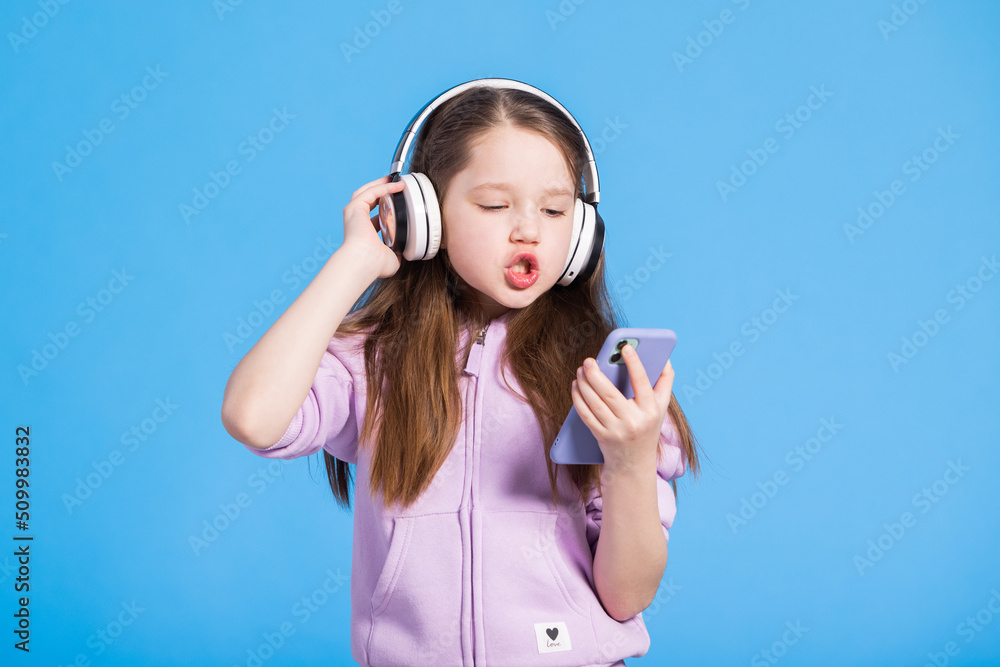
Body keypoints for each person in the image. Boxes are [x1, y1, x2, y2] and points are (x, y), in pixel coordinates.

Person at [221, 79, 701, 667]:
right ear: (424, 215)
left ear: (582, 234)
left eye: (554, 210)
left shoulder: (603, 378)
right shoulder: (372, 360)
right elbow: (253, 418)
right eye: (495, 205)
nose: (529, 229)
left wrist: (630, 462)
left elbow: (627, 596)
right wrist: (355, 260)